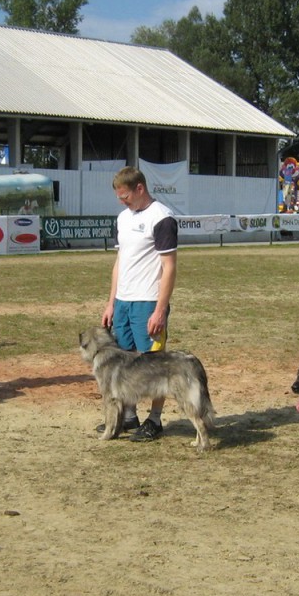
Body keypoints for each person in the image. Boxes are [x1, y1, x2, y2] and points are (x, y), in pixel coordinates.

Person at [99, 166, 178, 442]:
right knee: (125, 362)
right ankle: (129, 416)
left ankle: (154, 421)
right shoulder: (122, 218)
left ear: (140, 189)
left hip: (147, 302)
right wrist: (111, 302)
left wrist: (159, 309)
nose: (122, 202)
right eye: (119, 198)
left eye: (125, 196)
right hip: (123, 303)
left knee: (154, 364)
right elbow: (120, 262)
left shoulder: (162, 218)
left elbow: (169, 267)